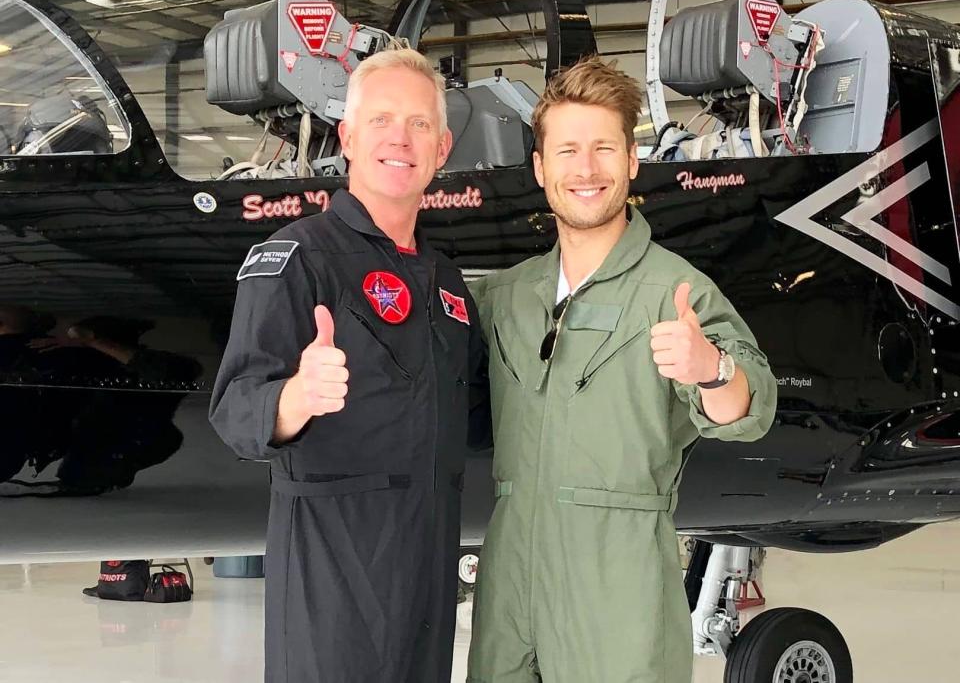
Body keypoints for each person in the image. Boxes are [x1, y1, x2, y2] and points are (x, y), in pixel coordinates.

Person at [466, 57, 778, 683]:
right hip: (507, 585)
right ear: (540, 167)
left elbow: (751, 407)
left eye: (605, 148)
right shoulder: (504, 296)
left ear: (632, 162)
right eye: (568, 150)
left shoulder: (675, 291)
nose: (585, 169)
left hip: (618, 590)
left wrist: (710, 368)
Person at [209, 47, 485, 683]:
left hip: (428, 569)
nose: (400, 138)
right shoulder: (298, 258)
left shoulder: (445, 280)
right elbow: (235, 406)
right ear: (349, 137)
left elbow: (478, 414)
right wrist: (298, 397)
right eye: (382, 120)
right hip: (333, 572)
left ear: (442, 149)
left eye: (419, 124)